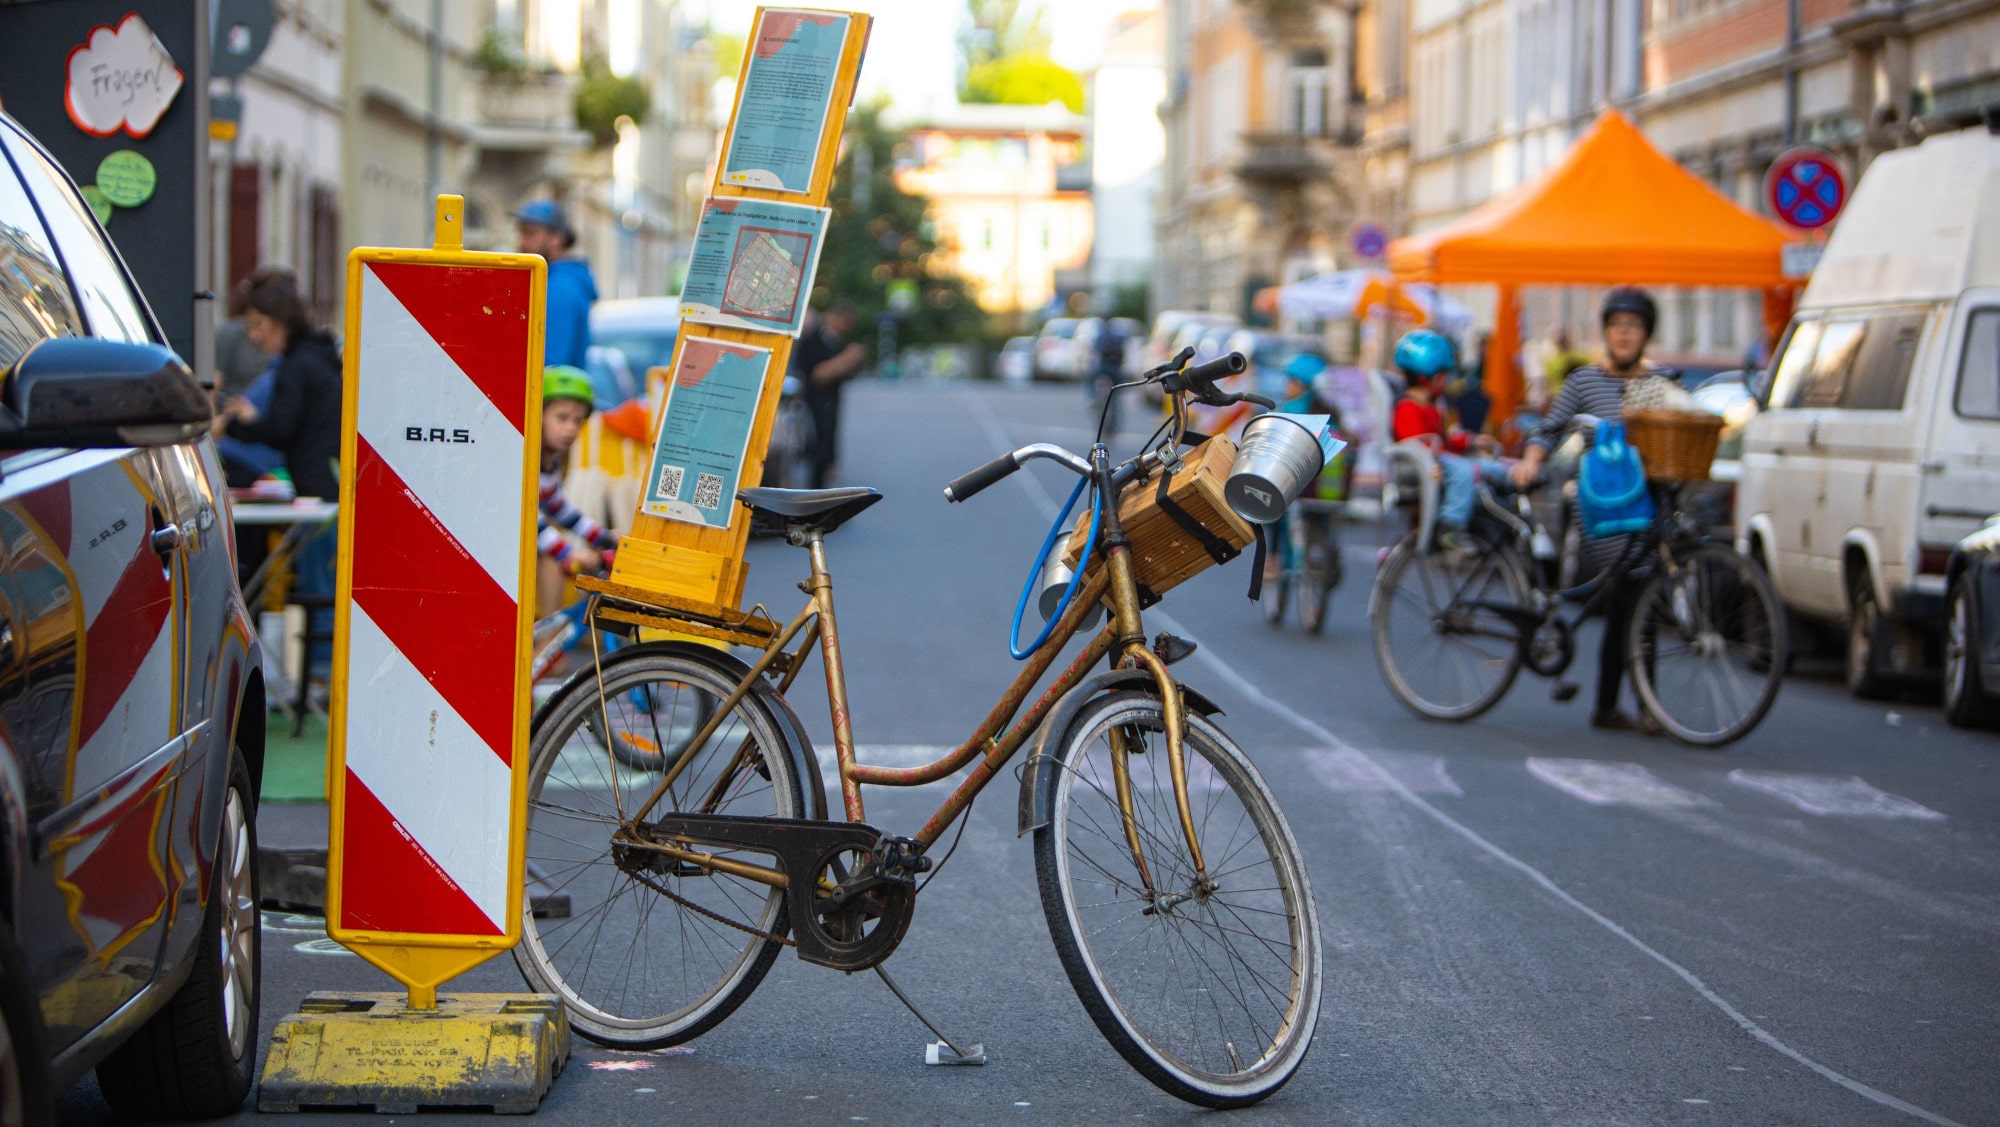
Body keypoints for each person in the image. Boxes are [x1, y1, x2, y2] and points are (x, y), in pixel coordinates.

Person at [1509, 286, 1674, 733]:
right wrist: (1530, 461)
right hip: (1601, 506)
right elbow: (1547, 428)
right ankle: (1632, 705)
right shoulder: (1584, 381)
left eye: (1633, 327)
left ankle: (1622, 705)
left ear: (1646, 334)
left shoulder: (1659, 385)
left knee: (1642, 601)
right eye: (1617, 326)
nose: (1624, 335)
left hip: (1650, 501)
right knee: (1630, 593)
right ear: (1605, 332)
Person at [215, 273, 342, 501]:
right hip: (330, 474)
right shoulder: (317, 355)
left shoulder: (294, 366)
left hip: (316, 480)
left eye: (258, 325)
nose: (254, 336)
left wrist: (232, 425)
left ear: (279, 321)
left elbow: (279, 429)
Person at [1389, 329, 1507, 548]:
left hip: (1440, 459)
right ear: (1429, 378)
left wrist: (1471, 441)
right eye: (1444, 375)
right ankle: (1450, 526)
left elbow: (1443, 439)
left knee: (1495, 469)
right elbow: (1416, 444)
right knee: (1464, 471)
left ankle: (1502, 512)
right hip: (1428, 465)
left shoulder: (1433, 406)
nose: (1447, 380)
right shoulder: (1407, 408)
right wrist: (1430, 462)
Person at [536, 366, 621, 617]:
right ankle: (546, 642)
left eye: (578, 421)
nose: (571, 428)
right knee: (554, 561)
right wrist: (567, 552)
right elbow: (529, 517)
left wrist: (603, 538)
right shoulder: (527, 459)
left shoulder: (550, 461)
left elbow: (560, 508)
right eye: (562, 417)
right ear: (537, 414)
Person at [515, 199, 598, 371]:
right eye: (521, 233)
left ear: (555, 238)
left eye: (530, 233)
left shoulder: (560, 287)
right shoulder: (558, 281)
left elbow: (549, 364)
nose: (522, 243)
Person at [793, 301, 866, 489]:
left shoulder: (832, 340)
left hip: (828, 401)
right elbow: (818, 374)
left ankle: (821, 482)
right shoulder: (815, 339)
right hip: (816, 402)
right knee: (818, 447)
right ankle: (814, 490)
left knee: (825, 443)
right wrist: (847, 359)